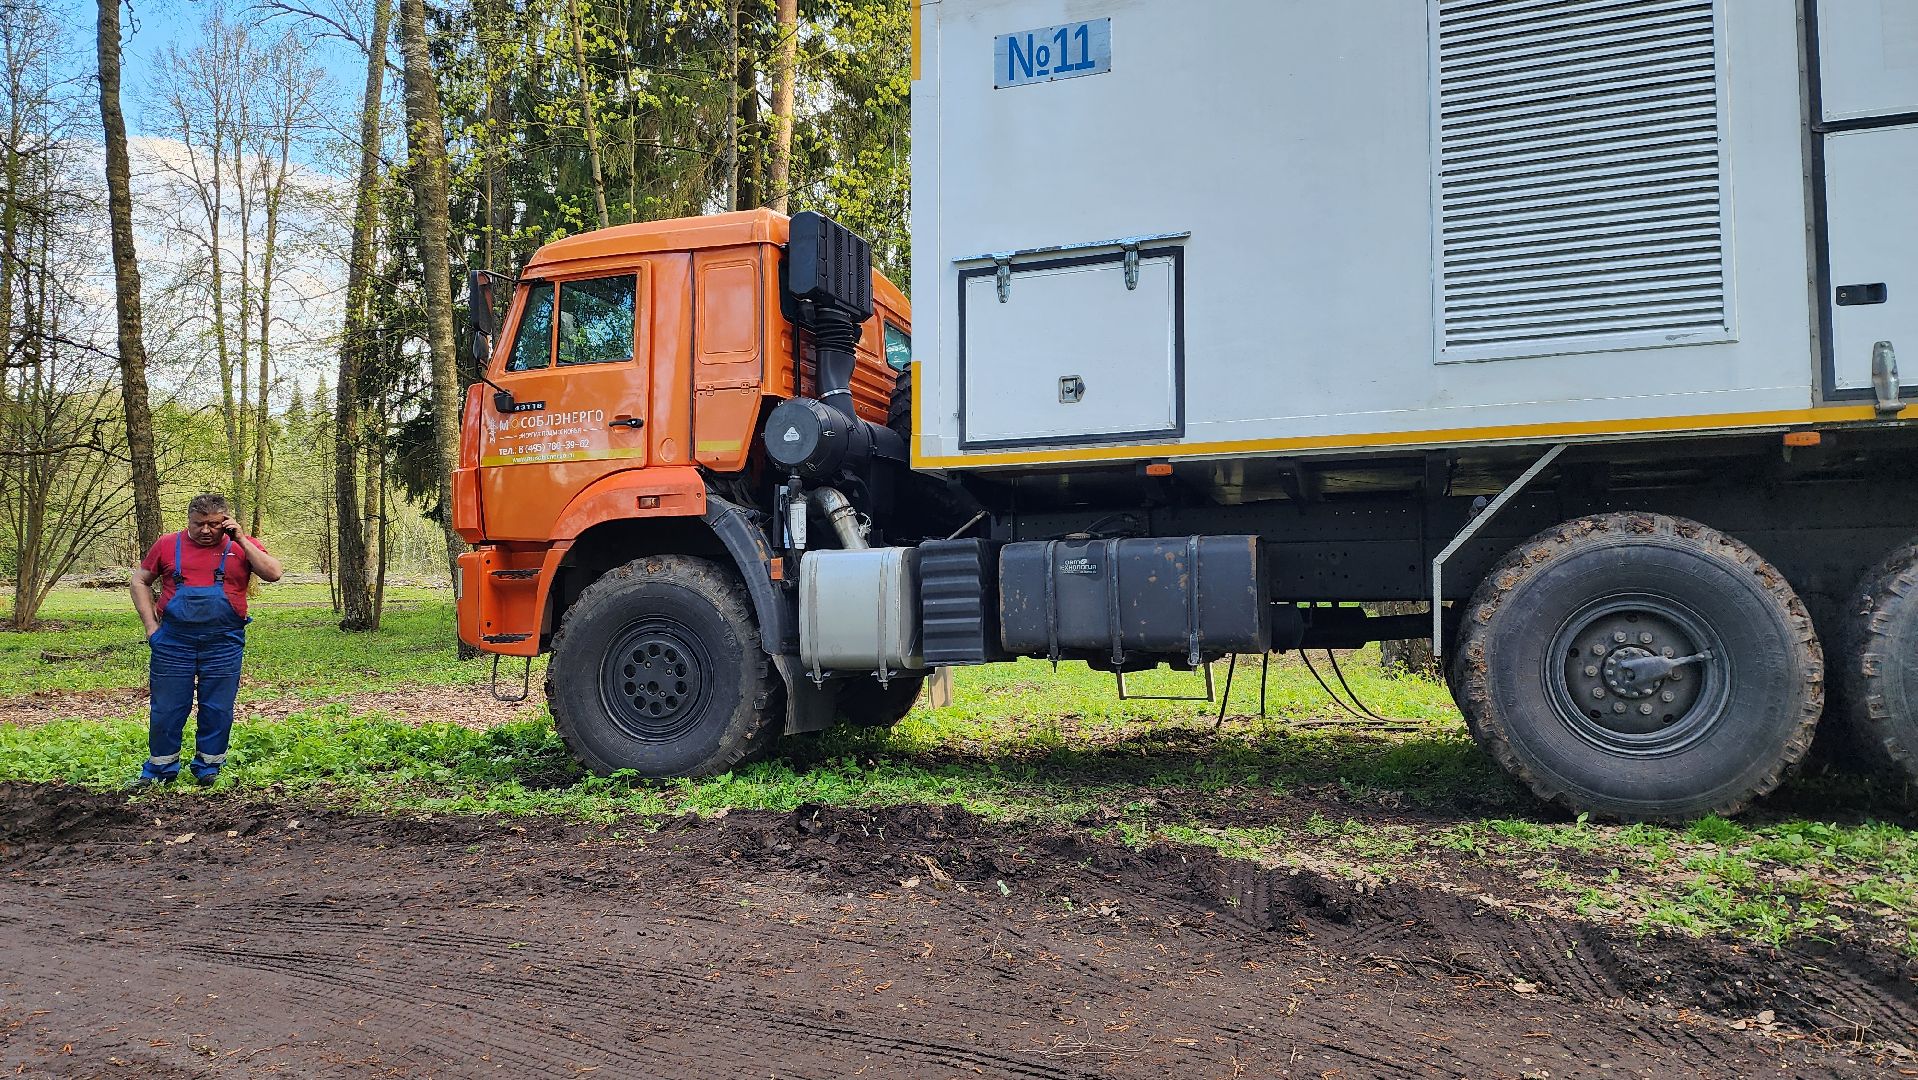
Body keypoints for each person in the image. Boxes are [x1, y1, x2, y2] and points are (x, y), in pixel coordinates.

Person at [128, 494, 282, 787]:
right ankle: (160, 770)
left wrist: (241, 540)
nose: (206, 530)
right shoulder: (167, 544)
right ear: (189, 521)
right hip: (173, 642)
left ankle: (209, 768)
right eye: (199, 524)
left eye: (214, 524)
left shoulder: (241, 545)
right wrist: (151, 627)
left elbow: (273, 573)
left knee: (217, 707)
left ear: (225, 521)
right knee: (168, 708)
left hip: (224, 642)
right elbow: (139, 581)